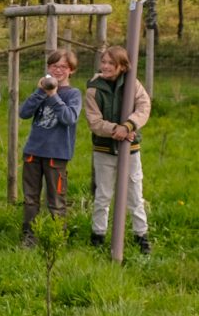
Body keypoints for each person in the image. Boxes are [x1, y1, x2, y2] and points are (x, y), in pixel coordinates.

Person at [85, 45, 152, 254]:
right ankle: (98, 235)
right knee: (103, 194)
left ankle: (141, 235)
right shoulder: (93, 89)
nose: (105, 66)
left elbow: (144, 107)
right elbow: (94, 121)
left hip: (130, 148)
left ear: (122, 67)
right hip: (104, 149)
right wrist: (116, 129)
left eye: (110, 63)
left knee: (135, 194)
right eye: (103, 62)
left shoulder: (133, 85)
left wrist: (128, 126)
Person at [19, 49, 82, 247]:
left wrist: (54, 95)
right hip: (33, 152)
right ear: (48, 68)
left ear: (71, 71)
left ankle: (57, 238)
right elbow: (23, 113)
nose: (58, 70)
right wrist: (40, 92)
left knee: (56, 200)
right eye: (54, 66)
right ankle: (30, 237)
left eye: (63, 67)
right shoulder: (41, 91)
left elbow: (69, 118)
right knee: (30, 199)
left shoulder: (73, 94)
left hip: (57, 155)